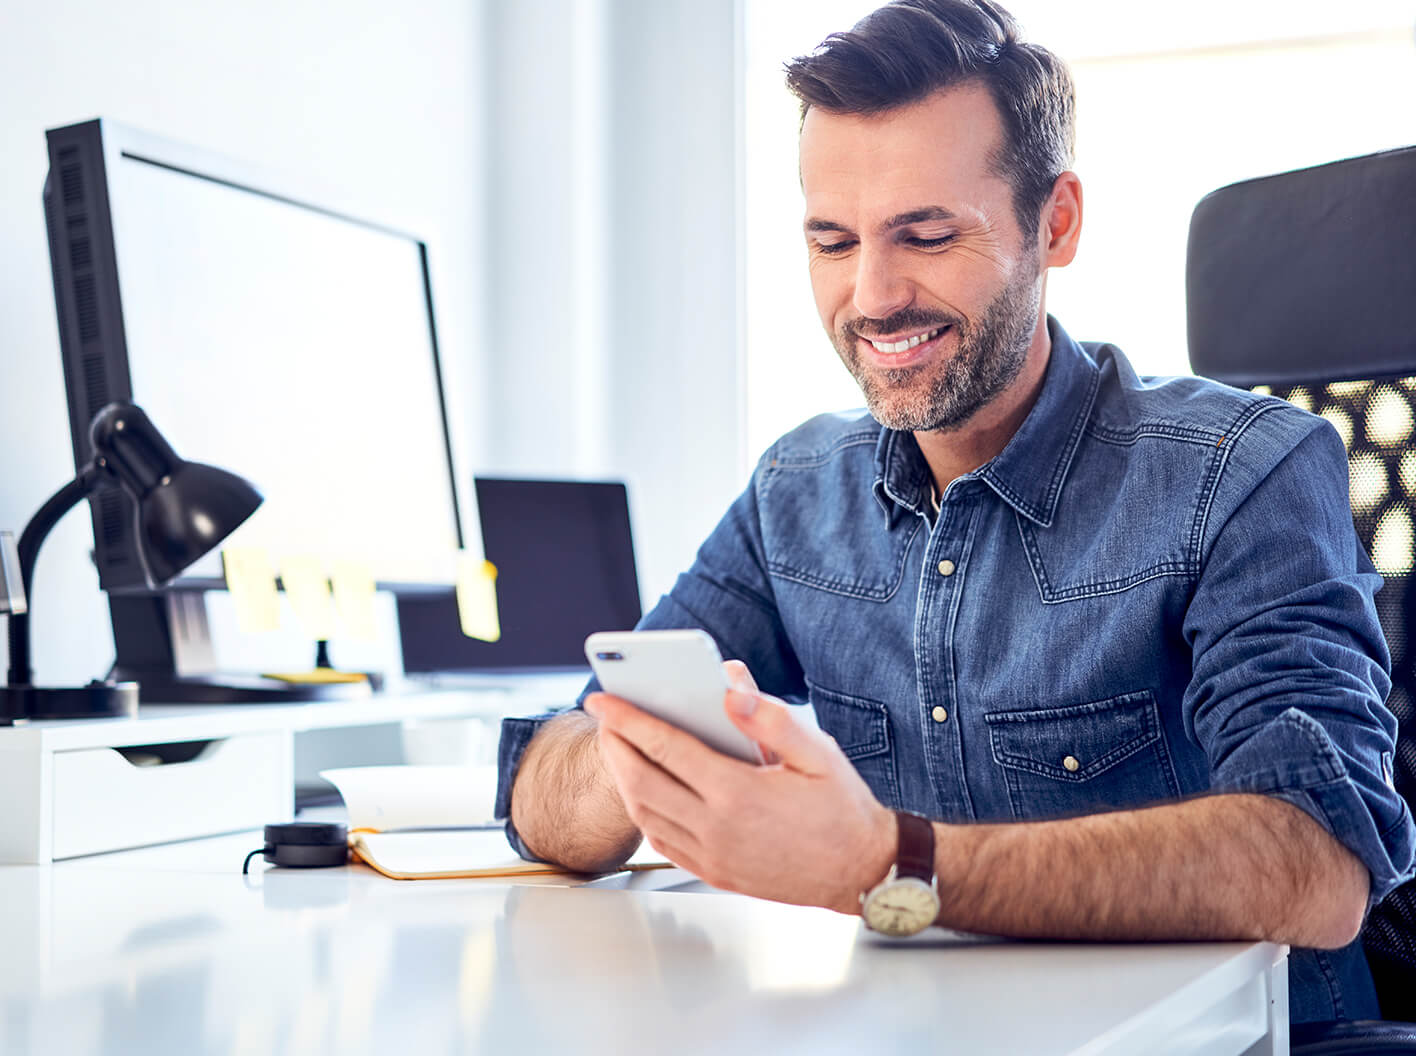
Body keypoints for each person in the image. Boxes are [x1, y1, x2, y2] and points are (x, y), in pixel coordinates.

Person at [494, 0, 1414, 1024]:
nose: (873, 294)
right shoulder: (798, 491)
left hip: (1235, 1040)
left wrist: (890, 864)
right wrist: (640, 768)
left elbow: (1320, 865)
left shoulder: (1243, 470)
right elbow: (553, 776)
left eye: (926, 236)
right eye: (832, 242)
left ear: (1054, 223)